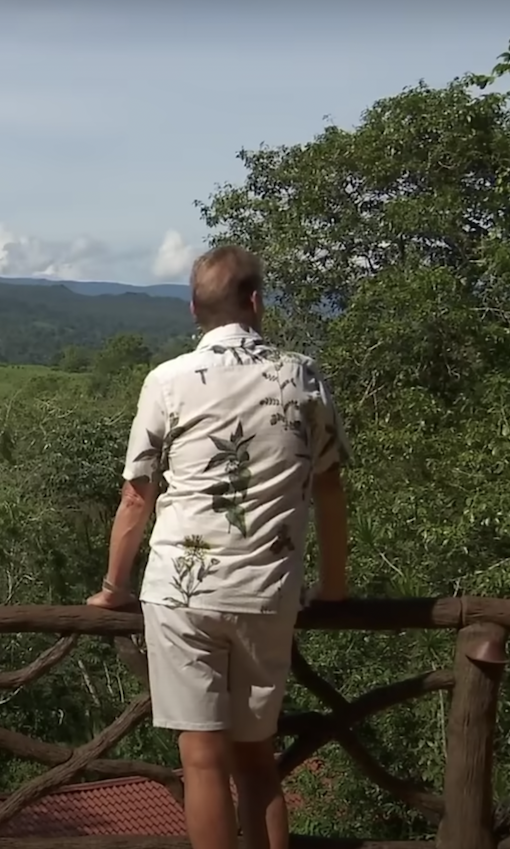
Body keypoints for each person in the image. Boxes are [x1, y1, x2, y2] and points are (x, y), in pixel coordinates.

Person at [85, 245, 351, 849]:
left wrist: (112, 588)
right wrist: (333, 586)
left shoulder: (167, 381)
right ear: (255, 301)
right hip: (267, 592)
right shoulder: (301, 374)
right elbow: (330, 489)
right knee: (258, 762)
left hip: (181, 592)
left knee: (202, 762)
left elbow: (136, 497)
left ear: (192, 309)